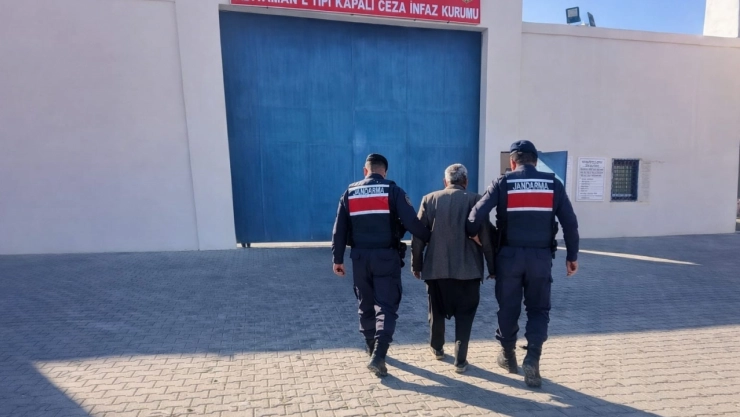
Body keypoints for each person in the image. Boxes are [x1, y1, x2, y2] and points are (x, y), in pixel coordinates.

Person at [467, 140, 580, 388]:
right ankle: (533, 358)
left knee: (508, 307)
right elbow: (570, 223)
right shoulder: (553, 184)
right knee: (538, 310)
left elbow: (475, 215)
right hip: (540, 259)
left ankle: (508, 356)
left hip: (508, 258)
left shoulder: (503, 182)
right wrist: (572, 256)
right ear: (536, 161)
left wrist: (475, 235)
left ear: (512, 161)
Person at [332, 153, 431, 377]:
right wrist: (431, 238)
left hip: (359, 258)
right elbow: (412, 223)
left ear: (365, 171)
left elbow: (339, 230)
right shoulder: (392, 191)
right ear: (384, 171)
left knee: (365, 304)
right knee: (386, 306)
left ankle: (371, 348)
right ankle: (379, 355)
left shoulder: (349, 193)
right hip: (386, 258)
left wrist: (337, 259)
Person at [411, 164, 495, 373]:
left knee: (436, 311)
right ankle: (460, 360)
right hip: (468, 271)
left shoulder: (429, 199)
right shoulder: (476, 200)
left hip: (436, 269)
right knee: (465, 315)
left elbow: (418, 236)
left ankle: (437, 348)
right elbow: (486, 238)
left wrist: (417, 264)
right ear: (465, 181)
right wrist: (492, 267)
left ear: (445, 182)